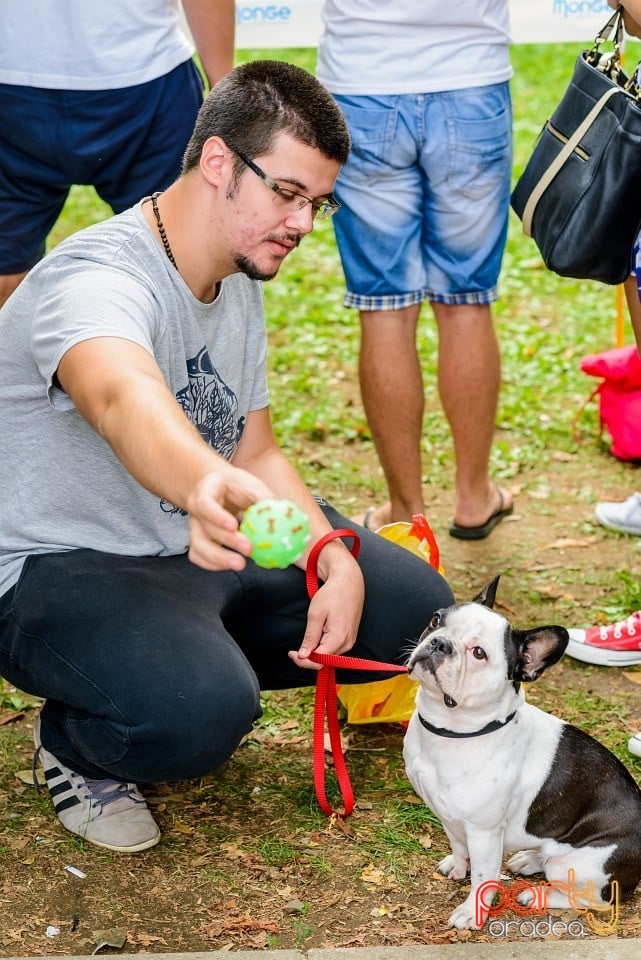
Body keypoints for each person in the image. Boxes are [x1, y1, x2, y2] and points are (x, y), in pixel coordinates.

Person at [0, 60, 454, 854]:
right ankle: (79, 742)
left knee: (417, 617)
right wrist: (205, 482)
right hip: (62, 564)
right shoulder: (95, 278)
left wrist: (331, 555)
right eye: (287, 193)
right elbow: (119, 395)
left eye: (317, 203)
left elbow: (257, 446)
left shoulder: (236, 272)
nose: (303, 223)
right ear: (217, 161)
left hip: (199, 536)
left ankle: (185, 657)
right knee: (198, 712)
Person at [316, 0, 514, 539]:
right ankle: (474, 497)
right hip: (470, 77)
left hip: (361, 80)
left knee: (384, 309)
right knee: (467, 300)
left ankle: (405, 512)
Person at [0, 0, 235, 308]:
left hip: (147, 81)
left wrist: (225, 97)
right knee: (4, 279)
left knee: (184, 272)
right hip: (15, 88)